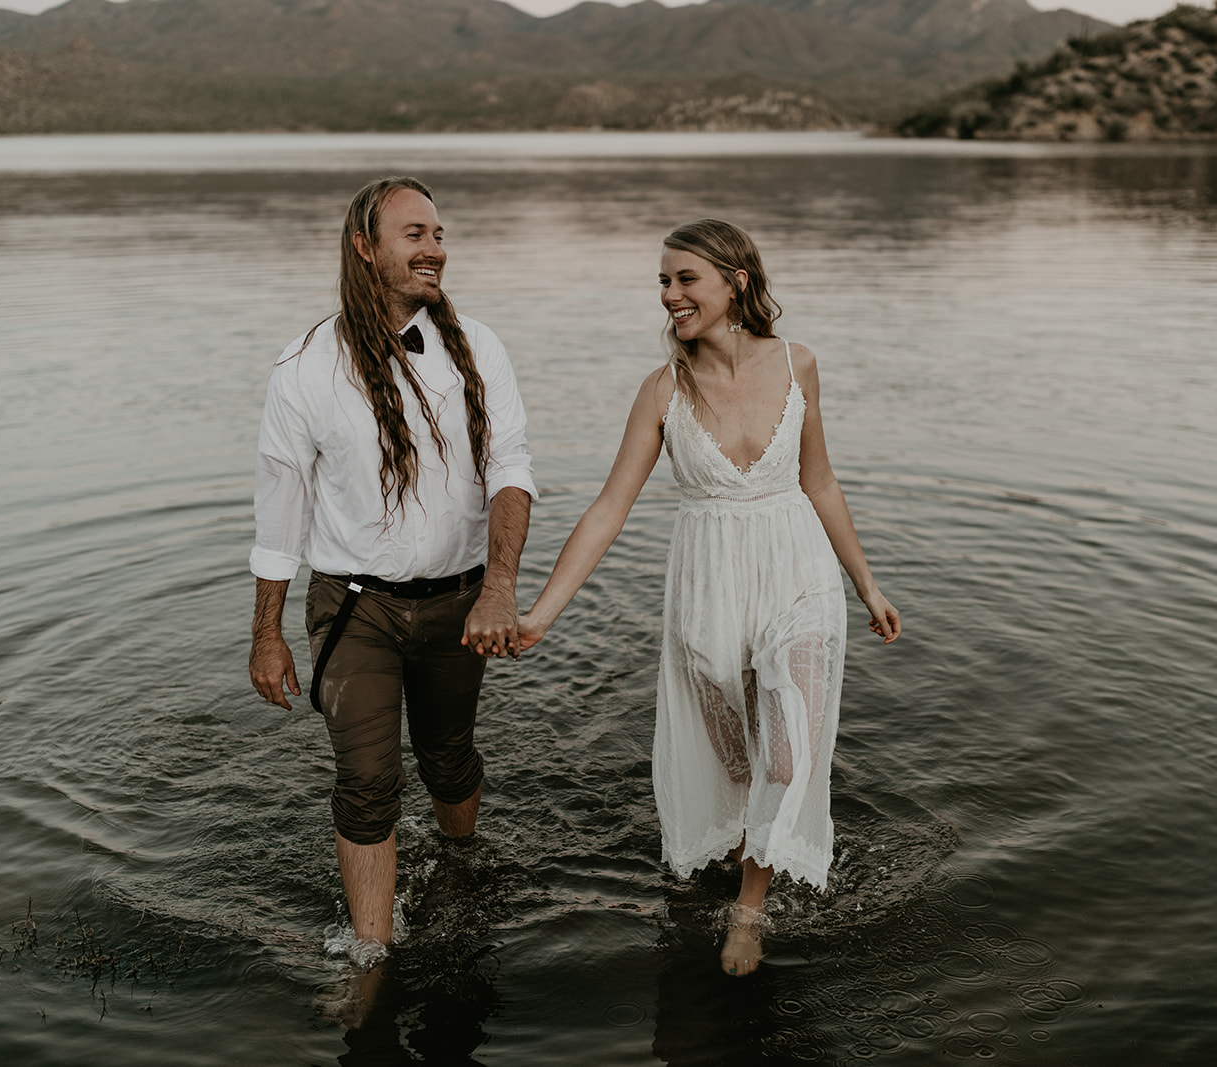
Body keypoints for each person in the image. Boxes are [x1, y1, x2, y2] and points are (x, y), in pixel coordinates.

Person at [514, 218, 901, 976]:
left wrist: (867, 582)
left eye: (685, 279)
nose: (669, 295)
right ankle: (735, 849)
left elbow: (819, 479)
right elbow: (607, 508)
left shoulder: (799, 364)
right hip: (708, 585)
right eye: (663, 281)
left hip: (798, 573)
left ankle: (748, 910)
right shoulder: (663, 389)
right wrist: (539, 614)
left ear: (738, 281)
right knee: (732, 758)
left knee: (787, 749)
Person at [248, 176, 537, 959]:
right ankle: (371, 958)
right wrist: (266, 634)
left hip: (459, 602)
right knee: (368, 781)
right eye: (415, 234)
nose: (435, 248)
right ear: (363, 246)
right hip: (355, 610)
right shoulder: (304, 366)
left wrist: (501, 587)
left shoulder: (479, 346)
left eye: (439, 234)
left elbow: (511, 466)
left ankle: (459, 864)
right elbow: (280, 508)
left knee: (450, 759)